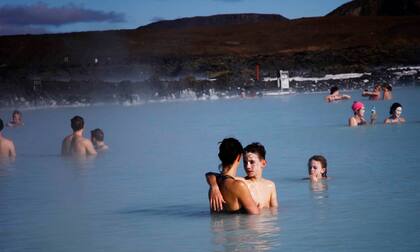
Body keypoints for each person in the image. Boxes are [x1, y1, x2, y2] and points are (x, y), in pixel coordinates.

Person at [206, 142, 278, 212]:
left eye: (252, 162)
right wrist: (214, 186)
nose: (248, 166)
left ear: (263, 163)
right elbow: (213, 175)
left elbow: (275, 212)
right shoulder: (240, 182)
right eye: (245, 162)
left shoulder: (270, 186)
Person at [206, 138, 259, 214]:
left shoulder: (213, 188)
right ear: (238, 157)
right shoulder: (239, 186)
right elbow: (256, 215)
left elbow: (209, 174)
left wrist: (214, 186)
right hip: (234, 226)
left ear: (220, 156)